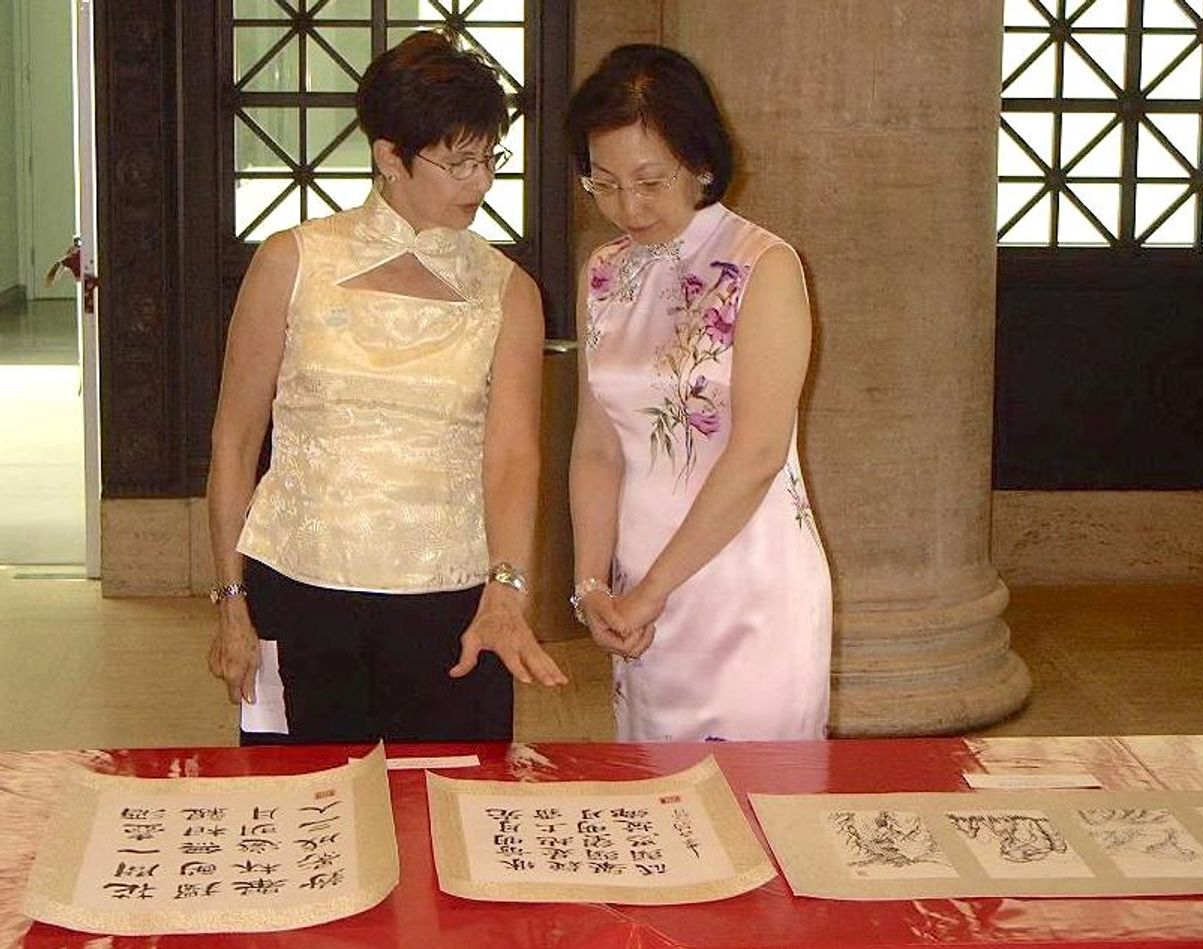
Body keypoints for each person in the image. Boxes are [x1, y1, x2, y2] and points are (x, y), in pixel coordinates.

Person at [206, 31, 566, 746]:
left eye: (488, 158)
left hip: (452, 600)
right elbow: (234, 440)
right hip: (299, 587)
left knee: (446, 797)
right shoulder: (292, 262)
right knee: (308, 797)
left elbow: (512, 456)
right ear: (390, 157)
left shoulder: (509, 291)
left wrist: (507, 588)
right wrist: (230, 598)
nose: (481, 183)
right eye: (458, 163)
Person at [565, 44, 831, 741]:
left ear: (702, 163)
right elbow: (597, 446)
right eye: (604, 183)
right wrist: (592, 584)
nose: (628, 206)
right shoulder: (604, 271)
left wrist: (653, 591)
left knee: (752, 791)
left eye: (650, 181)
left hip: (745, 587)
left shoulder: (763, 265)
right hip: (638, 587)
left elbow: (759, 453)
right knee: (655, 792)